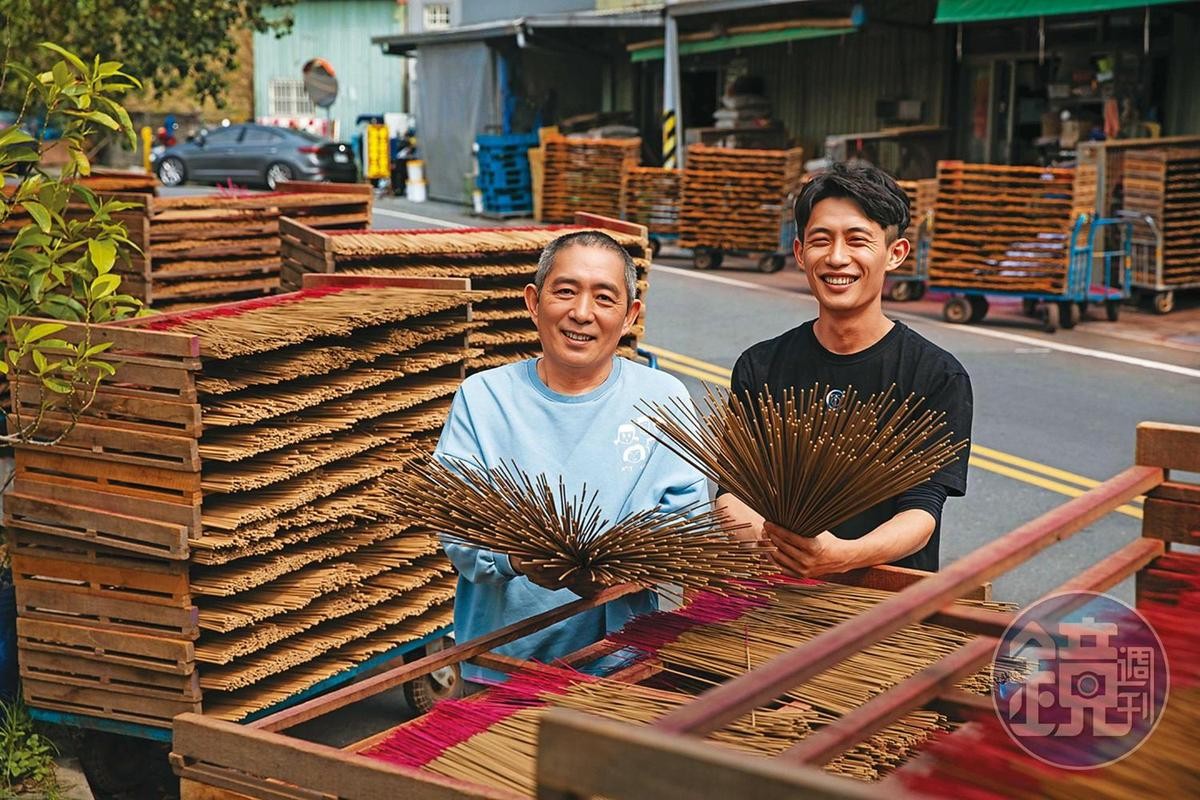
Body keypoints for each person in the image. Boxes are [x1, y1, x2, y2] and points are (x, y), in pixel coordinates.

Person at [435, 231, 706, 684]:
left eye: (604, 297)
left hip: (620, 663)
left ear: (629, 315)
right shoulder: (484, 398)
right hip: (500, 661)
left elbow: (687, 525)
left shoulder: (663, 400)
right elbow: (457, 526)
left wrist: (618, 566)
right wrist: (517, 560)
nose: (582, 313)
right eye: (565, 291)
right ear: (533, 302)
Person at [718, 162, 973, 578]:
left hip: (883, 609)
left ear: (895, 254)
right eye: (821, 240)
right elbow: (731, 495)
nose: (837, 258)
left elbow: (922, 512)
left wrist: (842, 555)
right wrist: (777, 547)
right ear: (801, 253)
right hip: (774, 597)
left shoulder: (936, 376)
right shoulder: (760, 366)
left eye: (858, 241)